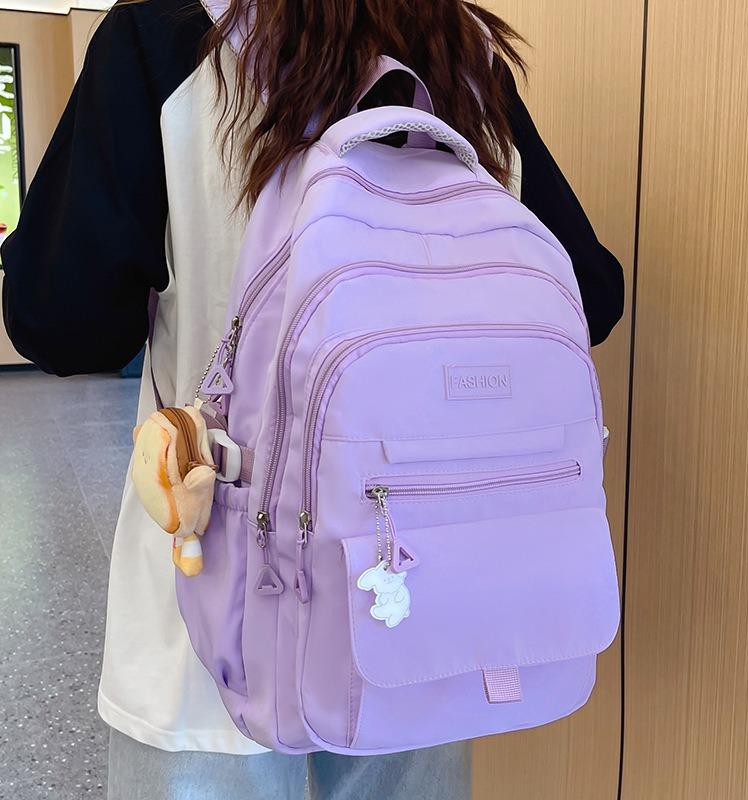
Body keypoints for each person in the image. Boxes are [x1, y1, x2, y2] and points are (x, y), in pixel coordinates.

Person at [0, 0, 624, 797]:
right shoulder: (462, 53)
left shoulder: (166, 36)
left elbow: (62, 323)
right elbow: (590, 293)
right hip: (419, 607)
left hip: (212, 616)